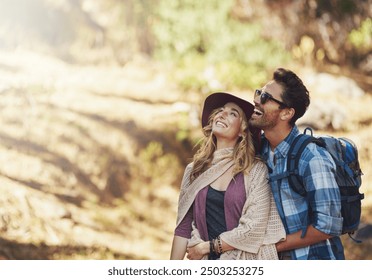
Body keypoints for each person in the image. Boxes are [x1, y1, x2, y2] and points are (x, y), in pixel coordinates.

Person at [170, 92, 285, 260]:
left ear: (242, 131)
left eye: (233, 113)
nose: (223, 114)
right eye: (221, 110)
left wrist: (206, 247)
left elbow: (254, 228)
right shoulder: (195, 170)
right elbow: (183, 228)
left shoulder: (255, 170)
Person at [249, 68, 345, 260]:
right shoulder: (260, 151)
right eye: (259, 92)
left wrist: (274, 246)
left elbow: (328, 225)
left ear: (286, 113)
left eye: (266, 97)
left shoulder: (312, 157)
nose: (257, 100)